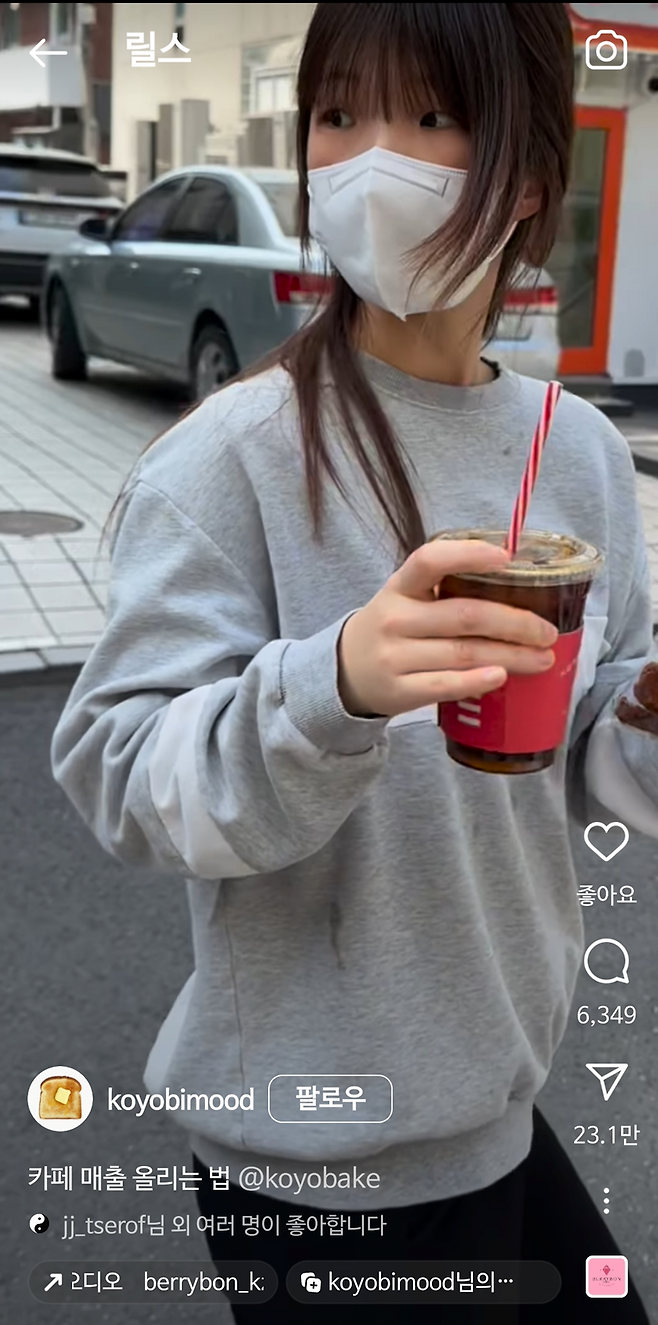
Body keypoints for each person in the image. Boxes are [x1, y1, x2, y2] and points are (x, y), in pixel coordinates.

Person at [51, 3, 655, 1321]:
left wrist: (648, 716)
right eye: (339, 115)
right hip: (315, 1157)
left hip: (495, 1101)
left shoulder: (579, 454)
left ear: (528, 178)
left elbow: (592, 749)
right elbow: (119, 776)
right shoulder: (232, 456)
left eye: (431, 115)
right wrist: (335, 685)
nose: (373, 158)